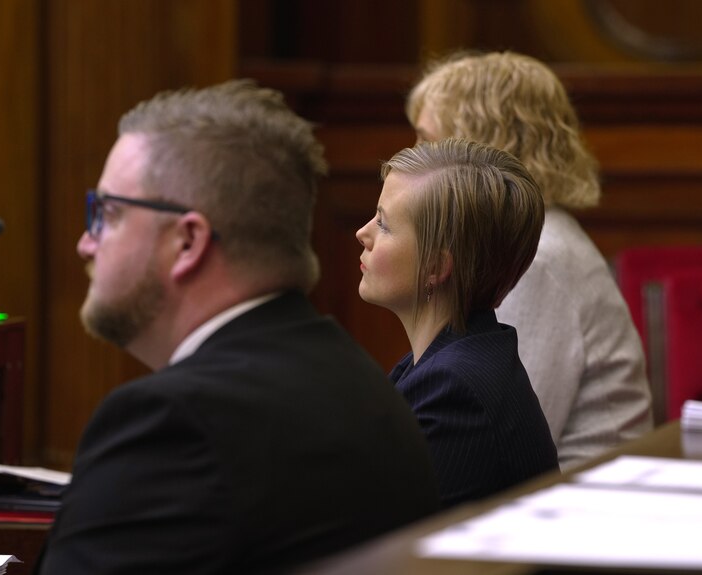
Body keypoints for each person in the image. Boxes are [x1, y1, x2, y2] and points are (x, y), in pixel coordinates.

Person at [34, 80, 440, 574]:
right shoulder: (366, 386)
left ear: (187, 242)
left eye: (109, 213)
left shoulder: (173, 424)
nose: (86, 242)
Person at [406, 51, 653, 470]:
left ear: (480, 148)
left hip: (582, 503)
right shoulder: (536, 242)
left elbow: (498, 440)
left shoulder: (538, 259)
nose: (412, 158)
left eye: (428, 143)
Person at [356, 138, 559, 508]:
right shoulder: (447, 363)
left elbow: (394, 530)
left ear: (436, 267)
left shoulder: (455, 391)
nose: (362, 233)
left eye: (383, 225)